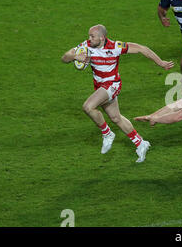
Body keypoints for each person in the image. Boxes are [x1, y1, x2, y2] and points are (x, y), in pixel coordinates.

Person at [61, 24, 174, 163]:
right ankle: (140, 143)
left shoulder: (115, 47)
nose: (89, 39)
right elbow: (64, 58)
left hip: (112, 85)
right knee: (116, 118)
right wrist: (75, 57)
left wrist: (161, 63)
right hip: (99, 86)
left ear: (102, 37)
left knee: (88, 107)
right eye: (89, 36)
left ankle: (107, 133)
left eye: (92, 36)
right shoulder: (86, 46)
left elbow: (141, 48)